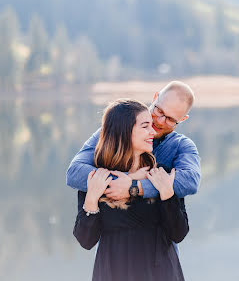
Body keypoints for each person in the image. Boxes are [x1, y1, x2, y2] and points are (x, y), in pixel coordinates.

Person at [73, 99, 188, 281]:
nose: (153, 131)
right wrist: (92, 198)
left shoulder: (161, 174)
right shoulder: (97, 178)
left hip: (160, 276)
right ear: (124, 131)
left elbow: (178, 233)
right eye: (145, 126)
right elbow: (86, 241)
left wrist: (167, 193)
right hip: (114, 275)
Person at [66, 81, 200, 208]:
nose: (159, 121)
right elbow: (75, 173)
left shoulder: (182, 146)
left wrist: (135, 187)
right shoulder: (115, 130)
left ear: (182, 119)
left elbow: (190, 182)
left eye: (170, 119)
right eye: (159, 111)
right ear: (155, 98)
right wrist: (126, 180)